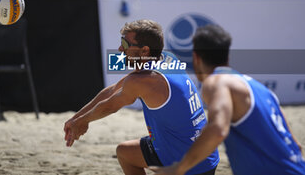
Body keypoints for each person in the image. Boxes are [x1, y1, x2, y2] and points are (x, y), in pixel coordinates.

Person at [150, 24, 305, 175]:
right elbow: (296, 145)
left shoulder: (216, 81)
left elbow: (218, 130)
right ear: (227, 55)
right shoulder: (261, 89)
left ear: (196, 58)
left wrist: (179, 168)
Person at [64, 19, 220, 175]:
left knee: (126, 153)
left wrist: (82, 121)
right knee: (125, 153)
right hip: (203, 153)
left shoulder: (145, 80)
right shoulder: (166, 58)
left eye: (125, 44)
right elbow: (112, 91)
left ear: (145, 51)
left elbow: (110, 105)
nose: (120, 49)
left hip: (188, 163)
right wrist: (76, 119)